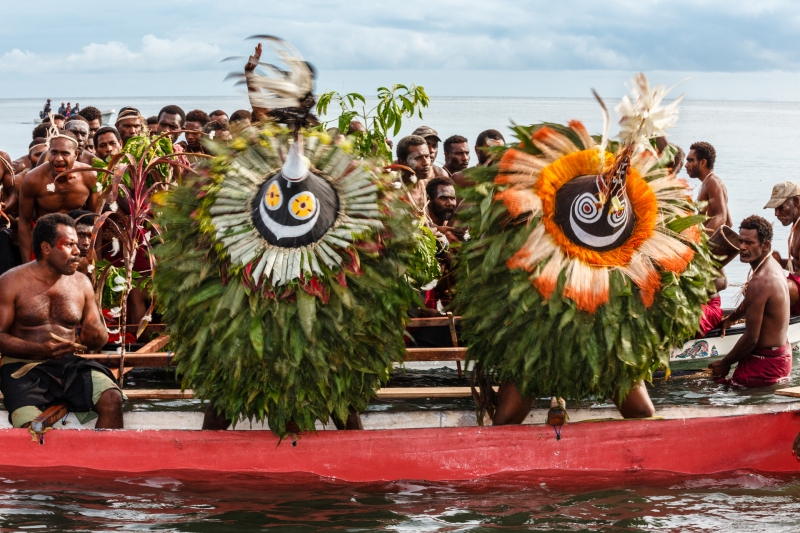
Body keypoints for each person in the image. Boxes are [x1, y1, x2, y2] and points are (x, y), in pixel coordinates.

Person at [0, 213, 123, 429]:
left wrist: (96, 337)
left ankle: (104, 461)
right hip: (23, 368)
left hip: (70, 366)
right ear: (46, 248)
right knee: (31, 424)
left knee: (112, 398)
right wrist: (40, 349)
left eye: (77, 244)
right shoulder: (11, 282)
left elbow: (97, 334)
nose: (78, 251)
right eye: (69, 245)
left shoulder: (82, 282)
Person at [710, 215, 791, 386]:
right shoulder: (771, 264)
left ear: (765, 245)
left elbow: (751, 339)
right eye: (740, 241)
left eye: (749, 243)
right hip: (781, 353)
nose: (741, 247)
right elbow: (752, 301)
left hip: (766, 362)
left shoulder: (760, 281)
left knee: (714, 387)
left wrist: (724, 363)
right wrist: (731, 319)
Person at [18, 132, 99, 263]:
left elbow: (93, 220)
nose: (58, 159)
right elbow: (24, 222)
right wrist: (27, 263)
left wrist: (94, 257)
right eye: (54, 152)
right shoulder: (33, 179)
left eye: (65, 153)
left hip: (77, 242)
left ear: (76, 154)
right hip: (45, 241)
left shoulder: (89, 176)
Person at [686, 141, 730, 333]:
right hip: (708, 246)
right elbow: (729, 221)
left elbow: (721, 217)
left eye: (690, 160)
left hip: (704, 244)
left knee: (717, 282)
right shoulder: (712, 182)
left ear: (702, 163)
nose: (686, 165)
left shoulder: (711, 181)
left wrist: (700, 243)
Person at [765, 181, 800, 316]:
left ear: (796, 201)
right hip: (796, 282)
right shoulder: (796, 225)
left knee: (765, 288)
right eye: (775, 209)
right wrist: (780, 262)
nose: (776, 213)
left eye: (780, 207)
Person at [67, 209, 96, 277]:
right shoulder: (57, 258)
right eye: (81, 235)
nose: (86, 243)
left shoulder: (91, 253)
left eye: (90, 236)